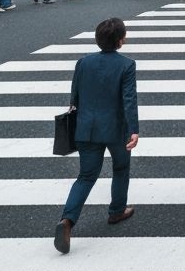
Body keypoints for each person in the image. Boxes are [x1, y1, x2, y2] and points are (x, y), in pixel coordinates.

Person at [54, 17, 139, 254]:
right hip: (115, 128)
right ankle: (116, 211)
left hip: (86, 127)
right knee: (121, 168)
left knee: (86, 176)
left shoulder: (83, 62)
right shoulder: (126, 65)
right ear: (121, 41)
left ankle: (67, 221)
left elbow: (75, 97)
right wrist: (134, 129)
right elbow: (129, 100)